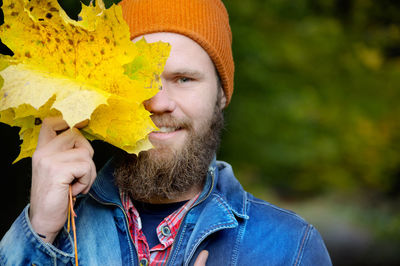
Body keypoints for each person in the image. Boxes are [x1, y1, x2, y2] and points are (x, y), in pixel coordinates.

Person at [0, 0, 332, 265]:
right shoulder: (50, 229)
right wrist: (40, 232)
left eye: (184, 79)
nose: (158, 103)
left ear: (221, 95)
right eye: (140, 77)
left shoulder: (289, 249)